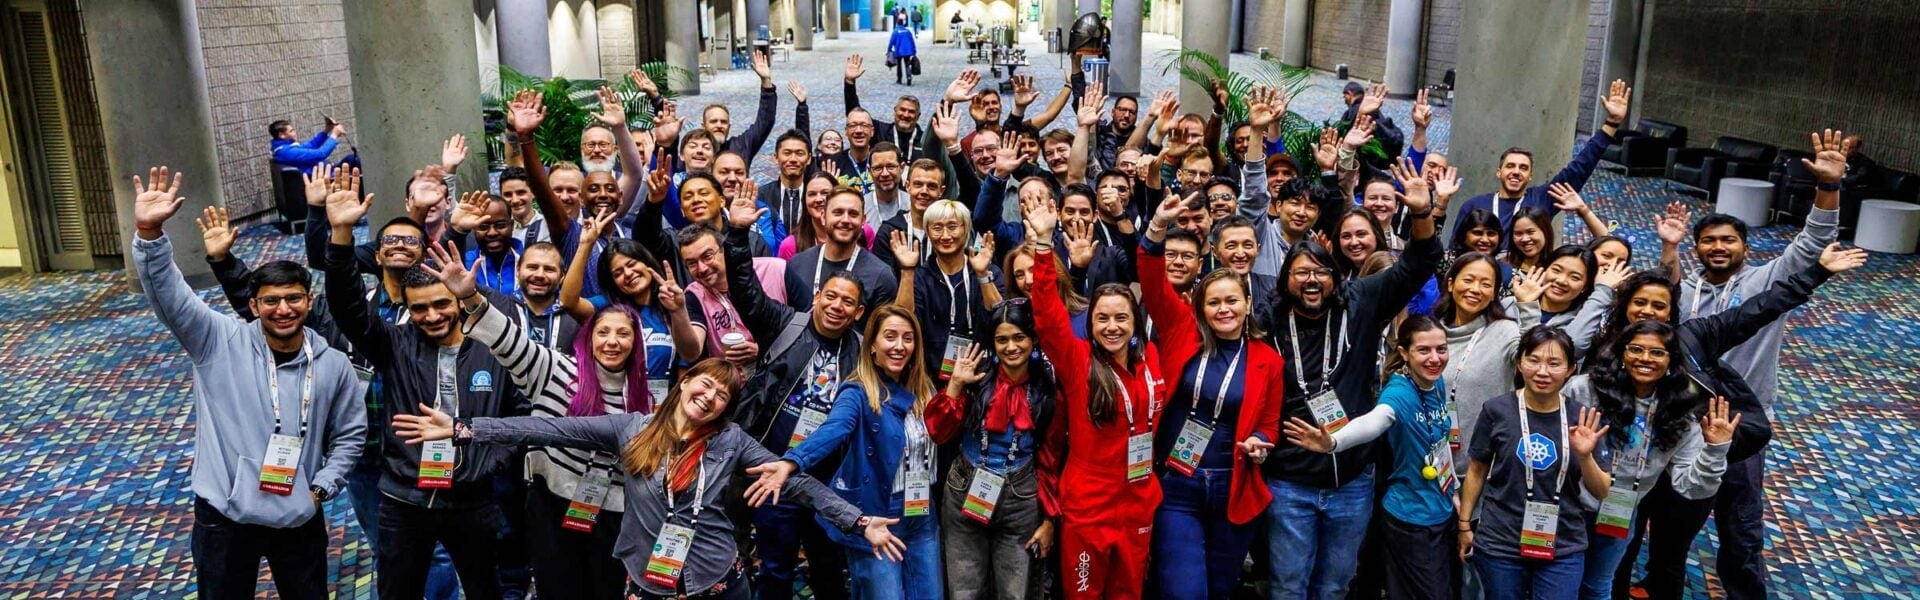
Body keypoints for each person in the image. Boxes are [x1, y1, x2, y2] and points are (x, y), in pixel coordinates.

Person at [391, 358, 906, 600]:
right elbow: (547, 427)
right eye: (705, 383)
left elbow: (803, 486)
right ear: (685, 382)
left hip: (719, 584)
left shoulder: (733, 443)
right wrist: (462, 428)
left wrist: (860, 523)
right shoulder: (629, 428)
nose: (709, 396)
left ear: (727, 407)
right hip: (647, 583)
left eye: (722, 395)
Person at [131, 167, 365, 599]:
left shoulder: (332, 363)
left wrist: (320, 488)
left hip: (298, 513)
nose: (283, 309)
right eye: (271, 301)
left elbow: (351, 435)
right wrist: (149, 235)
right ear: (253, 305)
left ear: (308, 302)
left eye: (294, 298)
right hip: (223, 514)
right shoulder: (216, 340)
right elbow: (170, 296)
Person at [1647, 129, 1848, 599]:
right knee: (1671, 518)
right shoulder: (1689, 291)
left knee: (1739, 525)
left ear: (1745, 246)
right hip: (1680, 422)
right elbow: (1661, 312)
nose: (1718, 247)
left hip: (1739, 423)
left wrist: (1829, 188)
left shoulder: (1764, 280)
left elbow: (1813, 240)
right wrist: (1670, 248)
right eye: (1709, 241)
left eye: (1729, 240)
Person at [320, 169, 530, 600]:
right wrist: (341, 234)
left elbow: (521, 413)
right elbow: (346, 305)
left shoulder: (493, 347)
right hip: (404, 498)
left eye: (440, 305)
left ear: (457, 301)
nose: (431, 316)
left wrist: (488, 461)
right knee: (398, 590)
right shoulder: (392, 345)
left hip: (471, 498)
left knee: (483, 589)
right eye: (419, 310)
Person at [416, 241, 647, 599]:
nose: (612, 342)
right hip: (551, 505)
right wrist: (471, 298)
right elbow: (507, 340)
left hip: (612, 513)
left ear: (636, 343)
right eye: (603, 332)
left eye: (623, 334)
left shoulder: (646, 399)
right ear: (589, 337)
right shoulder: (557, 369)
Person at [1261, 157, 1442, 599]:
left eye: (1320, 271)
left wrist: (1421, 213)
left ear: (1334, 276)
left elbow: (1419, 264)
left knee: (1335, 586)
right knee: (1287, 586)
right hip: (1290, 481)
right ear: (1286, 281)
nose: (1311, 280)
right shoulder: (1267, 320)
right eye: (1300, 272)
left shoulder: (1359, 301)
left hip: (1352, 481)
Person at [1138, 192, 1285, 599]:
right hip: (1176, 485)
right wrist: (1155, 230)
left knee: (1220, 589)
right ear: (1200, 308)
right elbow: (1151, 279)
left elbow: (1270, 424)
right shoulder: (1180, 332)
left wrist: (1263, 443)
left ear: (1247, 303)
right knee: (1183, 590)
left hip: (1231, 486)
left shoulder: (1267, 360)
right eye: (1214, 302)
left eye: (1231, 301)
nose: (1224, 309)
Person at [1026, 198, 1168, 600]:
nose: (1112, 327)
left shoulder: (1151, 359)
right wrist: (1041, 244)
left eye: (1121, 318)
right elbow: (1047, 315)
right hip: (1090, 506)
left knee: (1128, 594)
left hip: (1138, 501)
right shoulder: (1077, 361)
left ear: (1135, 322)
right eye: (1102, 319)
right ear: (1089, 324)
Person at [720, 215, 867, 600]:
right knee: (775, 569)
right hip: (773, 473)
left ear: (858, 312)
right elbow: (745, 290)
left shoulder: (864, 353)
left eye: (847, 302)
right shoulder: (785, 324)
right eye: (831, 297)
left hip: (828, 479)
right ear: (816, 295)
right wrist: (736, 234)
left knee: (830, 569)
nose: (837, 306)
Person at [757, 305, 944, 599]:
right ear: (871, 346)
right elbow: (835, 428)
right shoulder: (857, 391)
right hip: (878, 513)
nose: (899, 346)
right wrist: (792, 462)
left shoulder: (925, 389)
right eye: (890, 337)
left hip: (922, 512)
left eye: (908, 338)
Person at [1285, 315, 1459, 599]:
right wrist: (1334, 442)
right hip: (1410, 518)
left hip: (1440, 508)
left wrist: (1454, 489)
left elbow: (1439, 440)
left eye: (1441, 349)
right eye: (1423, 350)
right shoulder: (1399, 392)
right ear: (1404, 352)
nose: (1435, 358)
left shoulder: (1436, 384)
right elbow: (1375, 421)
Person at [1564, 320, 1737, 600]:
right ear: (1621, 354)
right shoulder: (1584, 390)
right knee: (1560, 584)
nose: (1645, 359)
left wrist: (1715, 450)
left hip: (1620, 510)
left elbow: (1691, 487)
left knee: (1598, 586)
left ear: (1671, 361)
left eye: (1657, 353)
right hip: (1567, 507)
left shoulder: (1678, 410)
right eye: (1636, 349)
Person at [1459, 326, 1613, 600]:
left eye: (1554, 363)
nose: (1543, 372)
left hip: (1563, 540)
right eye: (1534, 360)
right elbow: (1477, 469)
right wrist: (1464, 525)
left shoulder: (1583, 417)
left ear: (1570, 369)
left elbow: (1601, 490)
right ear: (1519, 363)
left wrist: (1585, 455)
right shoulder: (1497, 410)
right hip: (1500, 539)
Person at [927, 302, 1062, 599]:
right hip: (966, 486)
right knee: (964, 590)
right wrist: (955, 386)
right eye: (1002, 340)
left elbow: (1051, 458)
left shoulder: (1046, 390)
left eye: (1019, 337)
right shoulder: (976, 379)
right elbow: (938, 432)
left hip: (1021, 495)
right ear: (992, 343)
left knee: (1015, 592)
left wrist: (1050, 519)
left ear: (1033, 339)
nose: (1011, 347)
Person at [1453, 80, 1630, 238]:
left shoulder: (1543, 199)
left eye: (1523, 168)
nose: (1516, 172)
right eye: (1510, 166)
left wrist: (1612, 122)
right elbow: (1455, 249)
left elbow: (1581, 166)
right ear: (1499, 172)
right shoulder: (1475, 205)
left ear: (1530, 176)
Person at [1437, 253, 1544, 453]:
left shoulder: (1504, 331)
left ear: (1495, 293)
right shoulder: (1432, 332)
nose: (1475, 289)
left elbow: (1535, 360)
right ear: (1451, 284)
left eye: (1486, 284)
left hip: (1481, 462)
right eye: (1468, 280)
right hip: (1425, 457)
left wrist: (1528, 306)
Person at [784, 187, 900, 312]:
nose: (845, 220)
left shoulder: (881, 276)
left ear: (863, 221)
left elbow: (881, 329)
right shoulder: (797, 264)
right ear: (823, 217)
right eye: (838, 212)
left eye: (853, 214)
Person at [845, 55, 930, 162]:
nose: (906, 115)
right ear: (895, 111)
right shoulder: (879, 131)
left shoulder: (925, 141)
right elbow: (854, 114)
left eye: (911, 112)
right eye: (902, 110)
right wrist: (849, 83)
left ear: (918, 116)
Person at [270, 118, 345, 170]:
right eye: (291, 131)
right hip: (320, 177)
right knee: (351, 159)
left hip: (322, 170)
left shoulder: (284, 148)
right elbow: (321, 154)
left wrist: (326, 130)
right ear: (281, 135)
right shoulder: (287, 152)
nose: (295, 133)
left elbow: (311, 145)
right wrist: (334, 135)